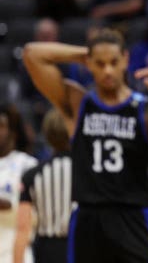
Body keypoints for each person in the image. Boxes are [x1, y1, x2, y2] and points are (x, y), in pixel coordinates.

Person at [23, 29, 148, 263]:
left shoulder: (147, 110)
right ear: (90, 64)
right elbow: (32, 54)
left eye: (114, 62)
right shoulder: (78, 102)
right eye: (100, 63)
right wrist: (85, 53)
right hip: (88, 216)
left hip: (132, 215)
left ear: (125, 59)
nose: (108, 70)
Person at [13, 109, 72, 263]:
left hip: (47, 248)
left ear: (47, 135)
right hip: (81, 244)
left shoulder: (32, 175)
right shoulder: (89, 173)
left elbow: (23, 229)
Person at [0, 104, 38, 262]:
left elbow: (38, 215)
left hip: (15, 250)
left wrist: (8, 207)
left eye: (0, 126)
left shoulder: (28, 165)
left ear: (13, 132)